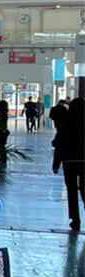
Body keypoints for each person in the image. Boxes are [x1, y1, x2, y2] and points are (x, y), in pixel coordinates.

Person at [55, 98, 85, 231]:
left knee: (71, 191)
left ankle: (75, 219)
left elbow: (58, 144)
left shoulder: (66, 123)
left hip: (69, 161)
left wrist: (56, 164)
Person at [0, 100, 10, 166]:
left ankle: (2, 159)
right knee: (2, 146)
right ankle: (2, 159)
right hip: (2, 131)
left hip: (0, 131)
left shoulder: (2, 114)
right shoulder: (4, 113)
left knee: (1, 146)